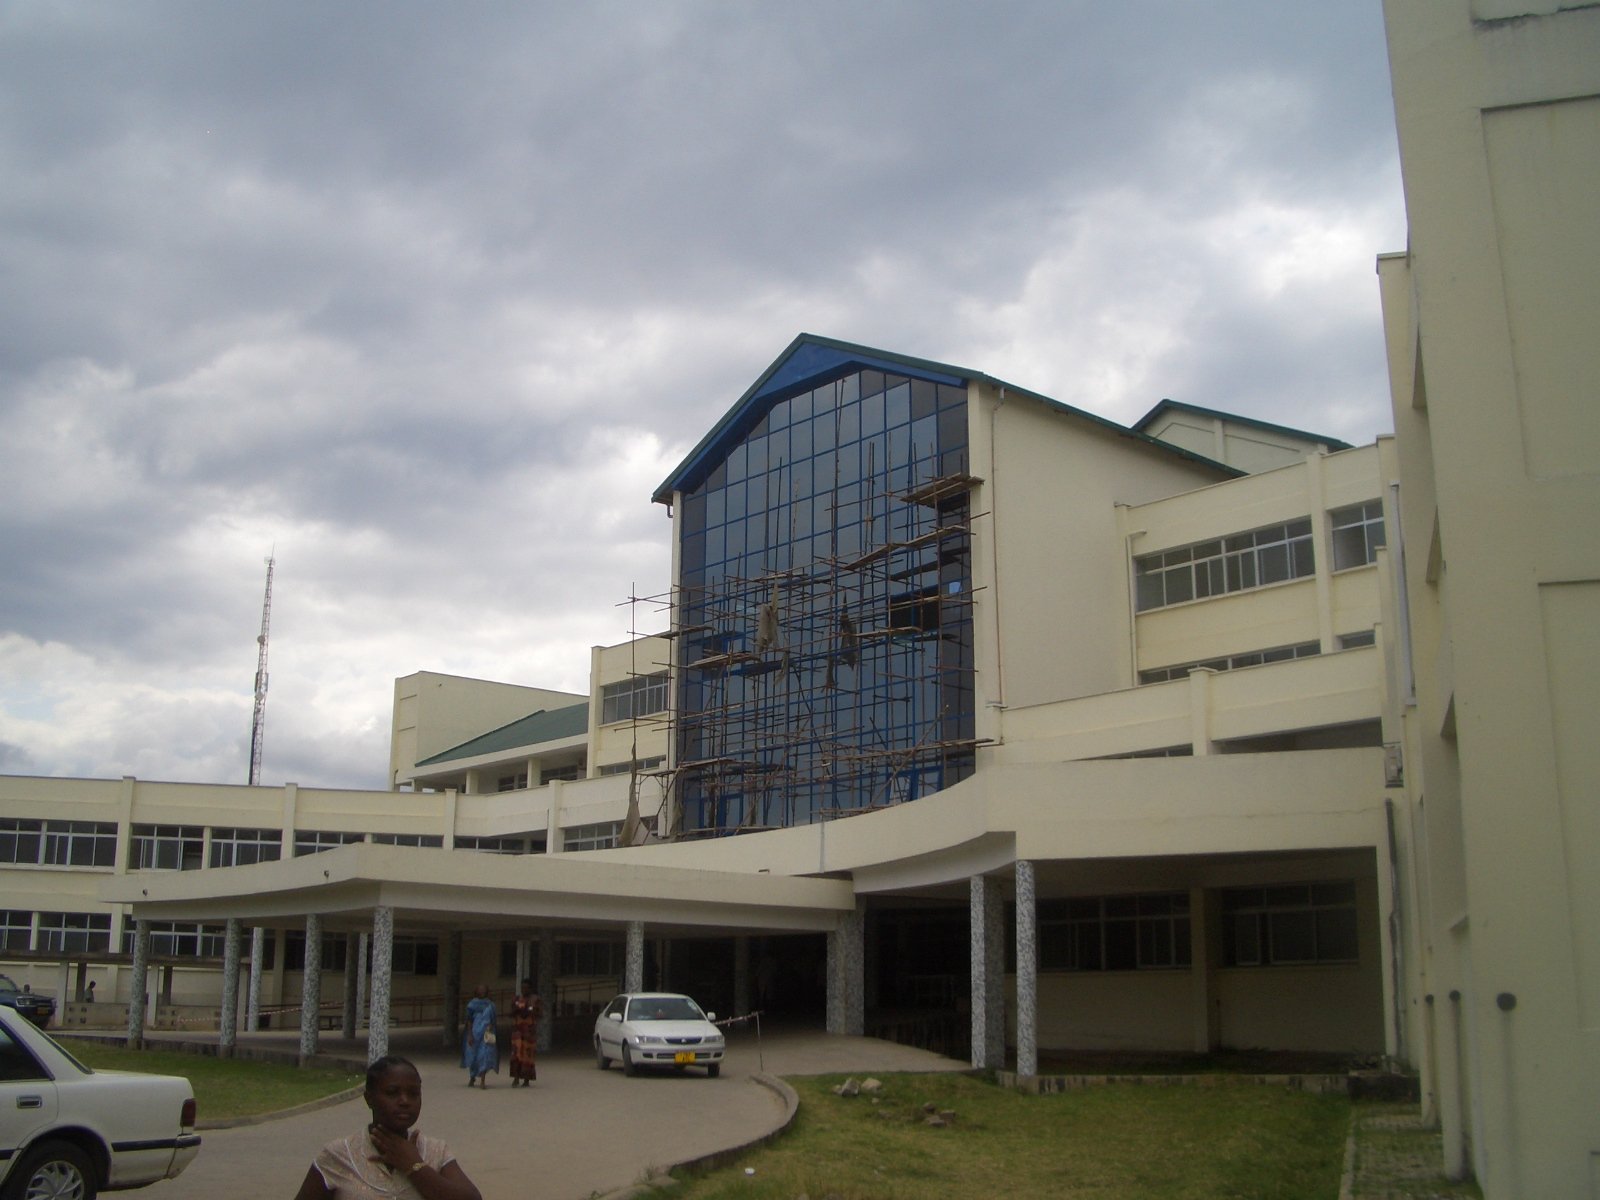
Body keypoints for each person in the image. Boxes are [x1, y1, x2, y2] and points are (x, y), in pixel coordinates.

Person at [291, 1055, 481, 1200]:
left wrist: (414, 1166)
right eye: (392, 1093)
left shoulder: (435, 1151)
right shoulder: (339, 1155)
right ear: (369, 1099)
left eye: (413, 1094)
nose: (404, 1101)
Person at [460, 985, 498, 1088]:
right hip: (474, 1032)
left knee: (484, 1055)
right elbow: (469, 1020)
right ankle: (472, 1077)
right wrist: (469, 1034)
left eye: (484, 990)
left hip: (487, 1032)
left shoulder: (491, 1005)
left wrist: (490, 1027)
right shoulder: (472, 1005)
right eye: (480, 990)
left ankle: (482, 1080)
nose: (482, 991)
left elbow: (493, 1020)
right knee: (472, 1056)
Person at [508, 978, 541, 1087]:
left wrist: (531, 1010)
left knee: (527, 1055)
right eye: (522, 988)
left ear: (530, 988)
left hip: (529, 1031)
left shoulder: (535, 999)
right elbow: (511, 1013)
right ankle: (516, 1078)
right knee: (516, 1054)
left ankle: (526, 1079)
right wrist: (517, 1010)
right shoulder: (517, 999)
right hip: (517, 1031)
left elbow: (540, 1014)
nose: (524, 990)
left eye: (526, 988)